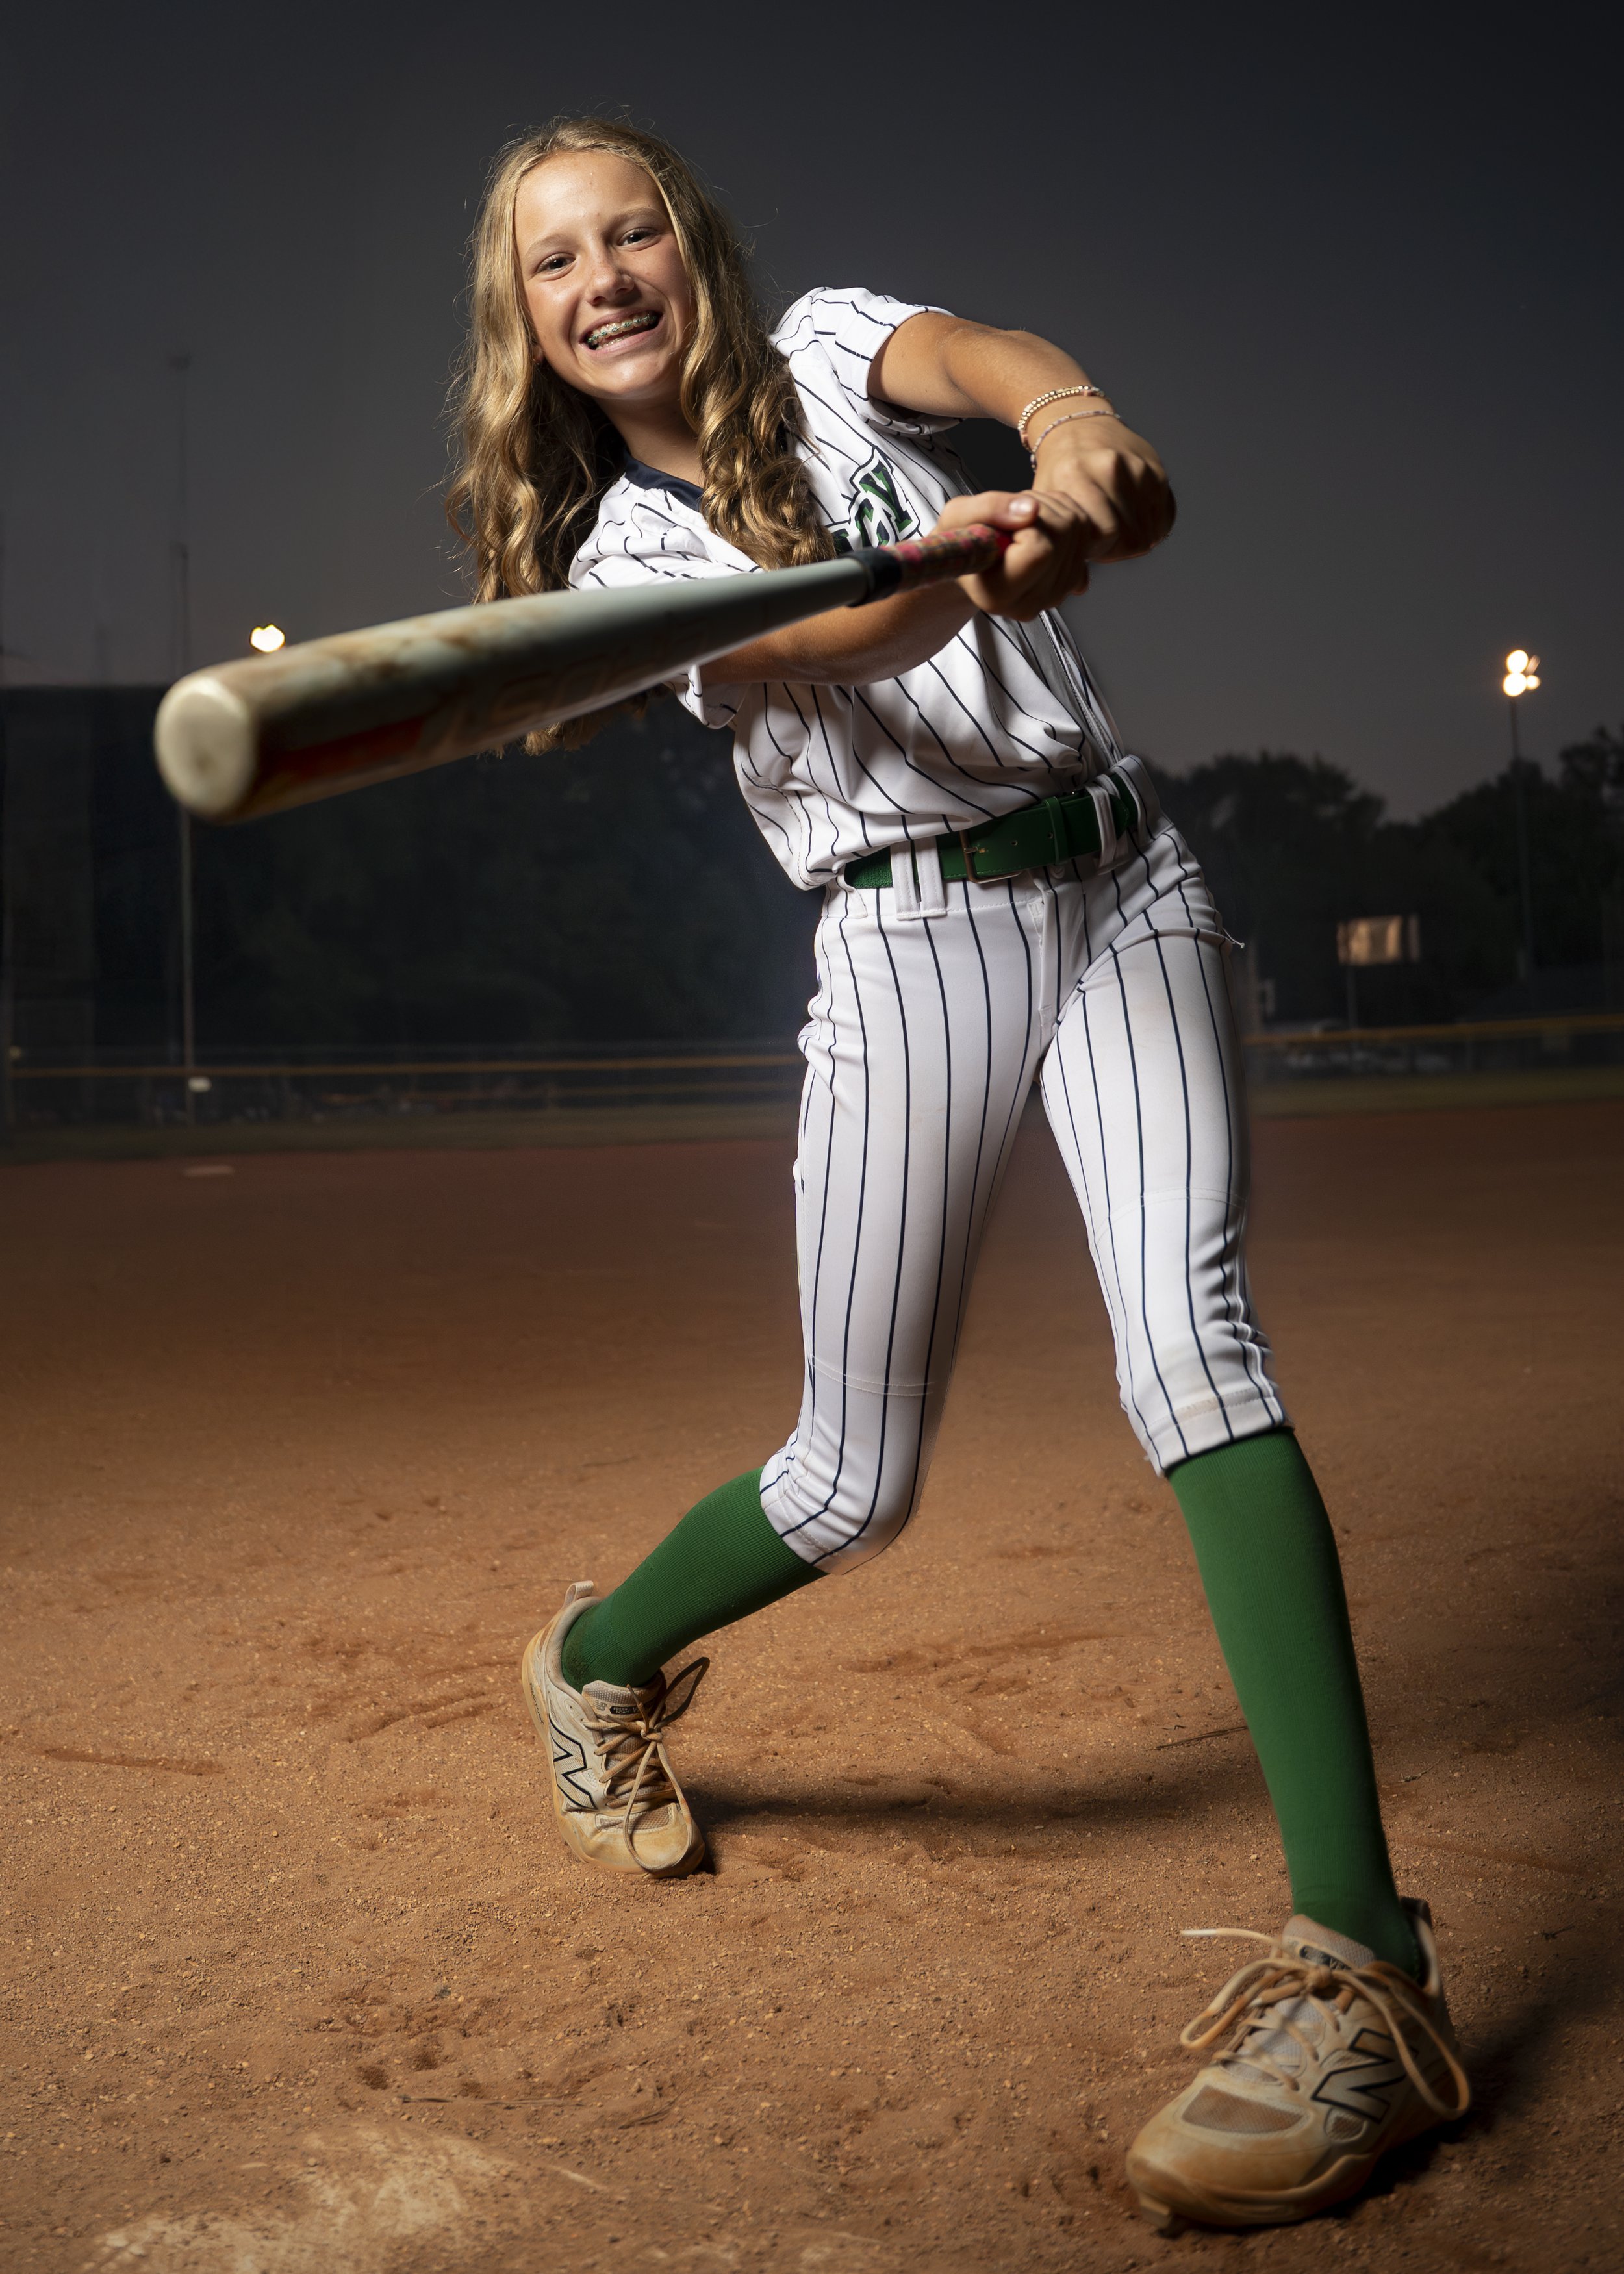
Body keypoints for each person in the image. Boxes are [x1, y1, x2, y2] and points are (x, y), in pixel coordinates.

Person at [446, 115, 1469, 2232]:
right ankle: (602, 1660)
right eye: (558, 263)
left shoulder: (822, 343)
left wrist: (1072, 424)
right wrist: (952, 575)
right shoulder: (619, 566)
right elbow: (819, 650)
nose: (607, 273)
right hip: (911, 942)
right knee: (850, 1484)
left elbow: (978, 352)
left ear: (693, 247)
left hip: (1125, 878)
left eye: (633, 227)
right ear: (528, 328)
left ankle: (1362, 1966)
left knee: (1192, 1345)